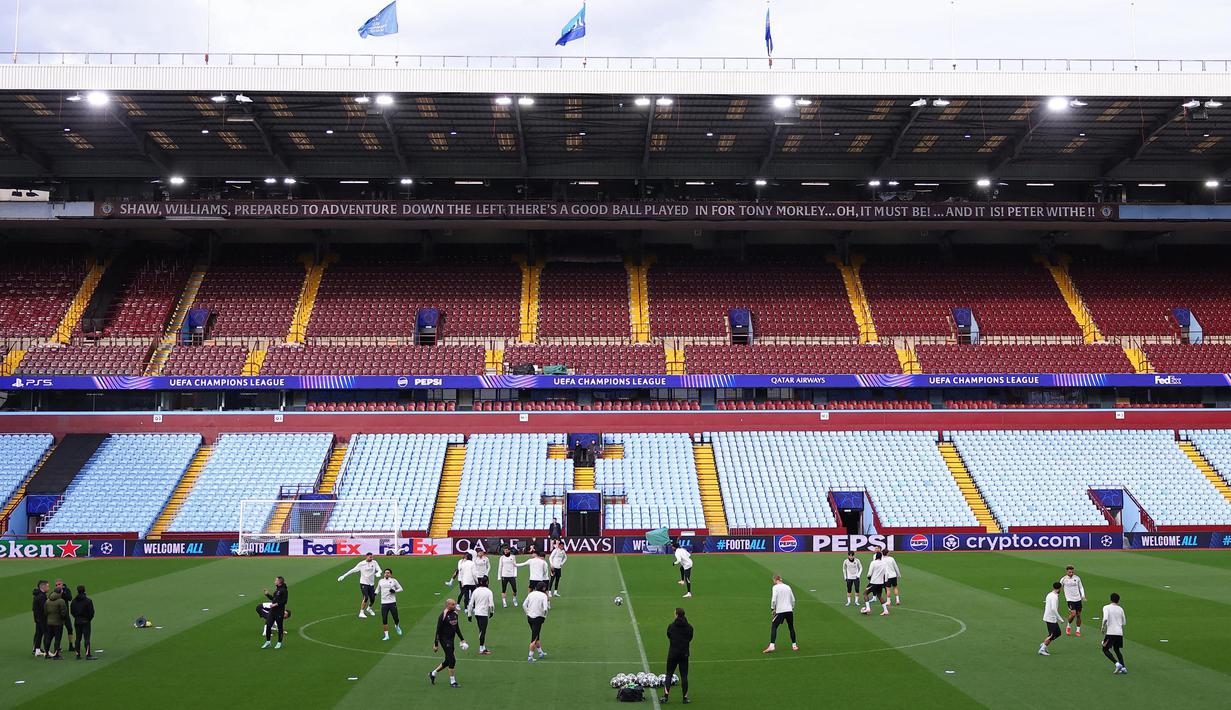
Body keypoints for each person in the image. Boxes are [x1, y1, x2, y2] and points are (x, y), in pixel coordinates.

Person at [430, 598, 466, 688]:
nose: (455, 606)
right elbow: (438, 630)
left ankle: (433, 673)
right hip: (444, 640)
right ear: (448, 605)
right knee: (452, 660)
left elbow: (456, 627)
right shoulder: (443, 615)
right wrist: (436, 644)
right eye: (453, 604)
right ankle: (452, 682)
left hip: (451, 639)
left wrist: (462, 639)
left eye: (455, 604)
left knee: (448, 660)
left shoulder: (455, 614)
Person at [661, 607, 693, 704]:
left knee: (669, 674)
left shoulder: (671, 626)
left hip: (673, 653)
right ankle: (685, 698)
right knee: (684, 676)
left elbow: (669, 635)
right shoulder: (689, 627)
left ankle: (665, 696)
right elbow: (690, 638)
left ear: (677, 615)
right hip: (684, 654)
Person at [337, 551, 380, 619]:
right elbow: (353, 570)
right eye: (370, 557)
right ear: (366, 557)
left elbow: (379, 569)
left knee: (373, 598)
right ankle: (361, 612)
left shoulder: (374, 562)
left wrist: (378, 573)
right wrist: (344, 576)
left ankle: (369, 608)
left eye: (372, 557)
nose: (371, 558)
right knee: (366, 597)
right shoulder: (361, 564)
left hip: (371, 583)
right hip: (363, 583)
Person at [763, 574, 798, 653]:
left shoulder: (775, 587)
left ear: (775, 580)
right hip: (789, 610)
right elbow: (793, 599)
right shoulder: (788, 587)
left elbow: (774, 599)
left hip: (780, 611)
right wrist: (791, 607)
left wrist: (772, 608)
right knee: (791, 627)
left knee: (774, 626)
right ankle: (794, 645)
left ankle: (772, 646)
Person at [467, 577, 496, 655]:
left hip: (477, 613)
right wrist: (492, 612)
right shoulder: (489, 592)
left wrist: (469, 615)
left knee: (481, 630)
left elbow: (470, 603)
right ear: (487, 582)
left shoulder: (476, 591)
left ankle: (483, 647)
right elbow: (491, 604)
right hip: (483, 613)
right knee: (483, 631)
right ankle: (481, 648)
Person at [1100, 592, 1128, 674]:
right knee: (1117, 649)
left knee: (1105, 649)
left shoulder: (1106, 607)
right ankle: (1124, 668)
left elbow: (1105, 618)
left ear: (1110, 599)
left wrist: (1102, 627)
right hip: (1119, 632)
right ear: (1118, 600)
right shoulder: (1120, 609)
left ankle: (1117, 664)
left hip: (1111, 632)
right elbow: (1124, 622)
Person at [523, 581, 551, 662]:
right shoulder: (543, 596)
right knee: (534, 638)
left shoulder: (531, 594)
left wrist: (527, 613)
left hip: (530, 618)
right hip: (538, 618)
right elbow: (545, 609)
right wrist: (544, 617)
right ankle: (530, 656)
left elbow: (524, 605)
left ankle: (540, 652)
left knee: (536, 635)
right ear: (543, 588)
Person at [376, 568, 404, 641]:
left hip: (392, 602)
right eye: (385, 573)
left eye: (388, 573)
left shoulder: (394, 581)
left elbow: (401, 588)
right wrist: (374, 594)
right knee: (384, 619)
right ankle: (386, 635)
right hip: (384, 603)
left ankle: (397, 626)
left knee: (396, 618)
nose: (386, 574)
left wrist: (394, 591)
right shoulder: (381, 581)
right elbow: (377, 589)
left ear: (390, 574)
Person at [261, 576, 288, 649]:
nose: (275, 581)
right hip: (272, 611)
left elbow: (284, 601)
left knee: (279, 627)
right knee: (268, 625)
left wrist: (276, 604)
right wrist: (267, 595)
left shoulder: (284, 590)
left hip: (279, 612)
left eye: (276, 580)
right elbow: (274, 599)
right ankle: (268, 642)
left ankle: (279, 642)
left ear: (279, 582)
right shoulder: (277, 590)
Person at [1060, 565, 1087, 637]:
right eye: (1070, 572)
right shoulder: (1063, 579)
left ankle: (1078, 630)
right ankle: (1068, 626)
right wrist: (1056, 595)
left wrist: (1083, 596)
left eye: (1072, 572)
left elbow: (1081, 587)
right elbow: (1059, 587)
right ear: (1067, 572)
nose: (1071, 573)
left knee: (1078, 615)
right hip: (1070, 599)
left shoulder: (1077, 578)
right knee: (1073, 614)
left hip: (1078, 599)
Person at [70, 585, 95, 661]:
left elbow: (72, 611)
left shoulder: (74, 601)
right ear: (84, 591)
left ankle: (78, 654)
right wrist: (88, 619)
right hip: (85, 621)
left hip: (77, 621)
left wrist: (76, 617)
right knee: (86, 638)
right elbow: (91, 613)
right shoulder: (88, 601)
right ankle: (88, 654)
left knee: (78, 638)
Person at [861, 551, 890, 616]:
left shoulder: (873, 563)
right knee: (879, 596)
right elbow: (887, 573)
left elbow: (869, 573)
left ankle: (868, 608)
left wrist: (868, 577)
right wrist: (885, 581)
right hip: (881, 583)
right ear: (881, 557)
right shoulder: (884, 563)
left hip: (873, 582)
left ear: (875, 557)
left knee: (865, 593)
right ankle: (886, 611)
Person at [1039, 581, 1064, 656]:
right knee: (1052, 635)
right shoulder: (1054, 597)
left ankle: (1044, 644)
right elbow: (1053, 608)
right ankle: (1042, 649)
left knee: (1058, 633)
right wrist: (1060, 618)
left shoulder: (1049, 594)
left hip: (1050, 617)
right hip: (1051, 618)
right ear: (1060, 588)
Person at [43, 587, 68, 660]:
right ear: (60, 592)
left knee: (48, 638)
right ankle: (56, 654)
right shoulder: (61, 601)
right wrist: (63, 619)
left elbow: (45, 612)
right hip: (58, 623)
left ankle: (46, 653)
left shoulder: (47, 601)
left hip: (49, 622)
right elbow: (64, 613)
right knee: (57, 639)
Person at [54, 580, 75, 653]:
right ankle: (58, 647)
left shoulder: (66, 590)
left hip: (66, 614)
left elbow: (70, 598)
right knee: (58, 631)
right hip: (58, 615)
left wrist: (63, 593)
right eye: (56, 585)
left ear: (62, 584)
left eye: (59, 584)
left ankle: (71, 645)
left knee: (70, 629)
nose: (58, 586)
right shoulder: (55, 592)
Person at [31, 580, 48, 658]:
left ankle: (37, 650)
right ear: (43, 586)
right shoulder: (42, 596)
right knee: (46, 633)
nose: (48, 588)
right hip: (42, 619)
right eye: (47, 586)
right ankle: (47, 651)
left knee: (39, 634)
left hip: (38, 618)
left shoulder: (38, 595)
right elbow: (44, 608)